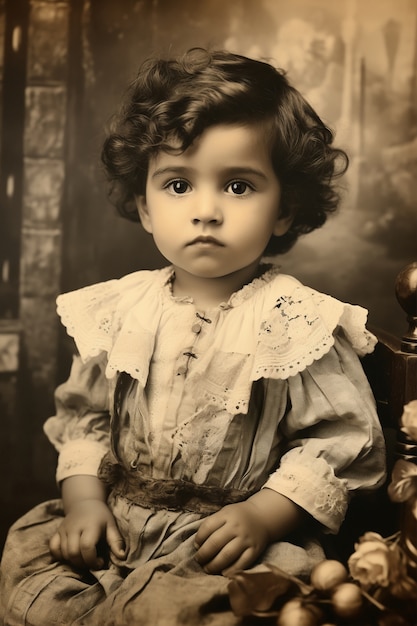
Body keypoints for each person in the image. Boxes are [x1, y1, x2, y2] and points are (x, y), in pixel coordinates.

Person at [0, 48, 386, 626]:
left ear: (284, 209)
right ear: (145, 206)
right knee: (38, 584)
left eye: (237, 186)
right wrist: (83, 500)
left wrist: (266, 515)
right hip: (117, 524)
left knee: (195, 613)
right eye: (178, 185)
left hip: (223, 544)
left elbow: (338, 442)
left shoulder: (295, 321)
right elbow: (85, 417)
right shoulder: (121, 310)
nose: (206, 211)